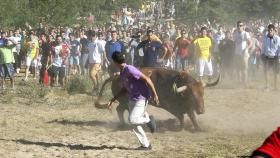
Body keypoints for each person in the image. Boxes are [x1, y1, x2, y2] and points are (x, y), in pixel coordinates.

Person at [107, 51, 159, 150]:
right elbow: (125, 88)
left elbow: (147, 79)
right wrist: (113, 99)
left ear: (115, 62)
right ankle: (146, 145)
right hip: (132, 99)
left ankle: (148, 120)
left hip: (141, 98)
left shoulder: (130, 69)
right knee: (134, 124)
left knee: (132, 120)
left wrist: (155, 94)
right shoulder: (122, 72)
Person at [233, 21, 252, 86]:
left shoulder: (245, 33)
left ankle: (245, 82)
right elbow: (235, 42)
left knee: (244, 69)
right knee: (238, 69)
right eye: (238, 25)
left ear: (243, 26)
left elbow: (250, 43)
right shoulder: (235, 33)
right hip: (237, 53)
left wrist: (246, 49)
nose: (239, 27)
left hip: (244, 54)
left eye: (241, 25)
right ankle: (239, 82)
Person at [261, 24, 280, 91]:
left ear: (274, 31)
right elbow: (263, 47)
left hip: (275, 57)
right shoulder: (265, 38)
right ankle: (267, 86)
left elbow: (279, 48)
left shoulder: (277, 38)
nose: (270, 31)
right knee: (266, 72)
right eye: (269, 30)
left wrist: (279, 57)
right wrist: (262, 54)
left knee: (276, 72)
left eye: (271, 30)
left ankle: (276, 87)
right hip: (267, 57)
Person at [87, 30, 105, 95]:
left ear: (94, 36)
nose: (89, 38)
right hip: (91, 62)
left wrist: (104, 60)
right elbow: (90, 53)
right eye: (89, 36)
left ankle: (96, 88)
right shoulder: (89, 43)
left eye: (90, 36)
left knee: (91, 75)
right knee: (96, 76)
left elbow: (103, 51)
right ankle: (99, 89)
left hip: (97, 62)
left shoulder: (98, 43)